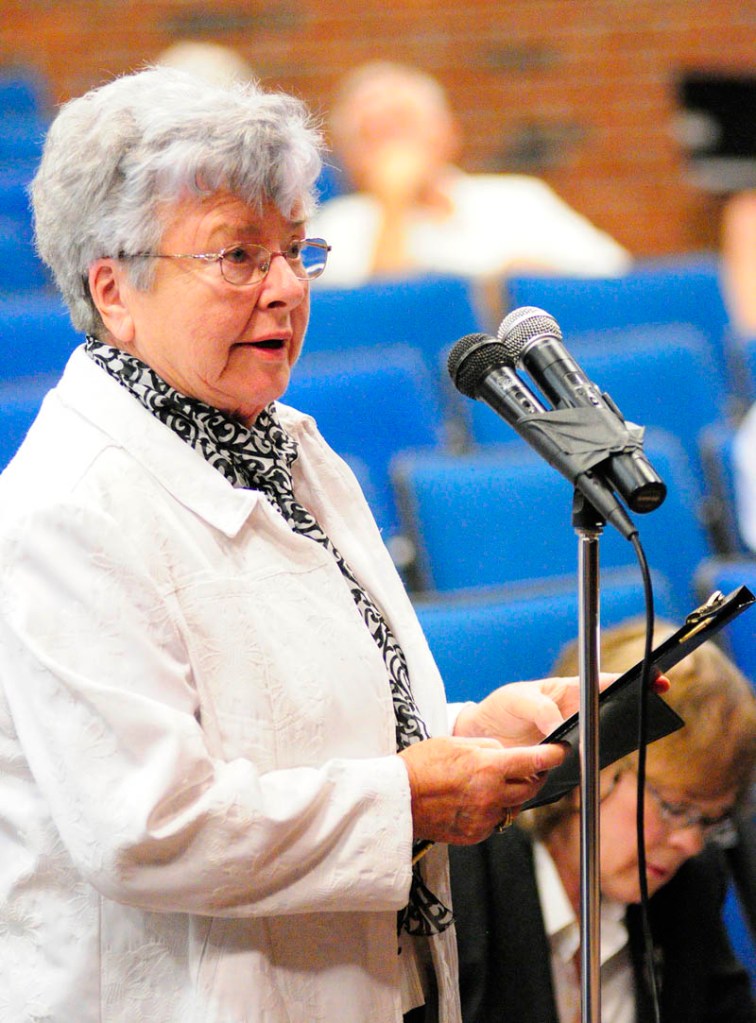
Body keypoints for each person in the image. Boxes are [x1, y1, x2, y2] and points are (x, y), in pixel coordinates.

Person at [0, 65, 598, 1023]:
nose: (283, 288)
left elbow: (328, 728)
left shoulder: (293, 450)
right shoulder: (65, 509)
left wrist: (471, 735)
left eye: (293, 248)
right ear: (114, 288)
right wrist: (409, 797)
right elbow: (149, 826)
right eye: (237, 255)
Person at [449, 617, 756, 1023]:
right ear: (588, 768)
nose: (692, 843)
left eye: (709, 820)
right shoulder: (462, 884)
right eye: (676, 808)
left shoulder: (690, 884)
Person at [310, 60, 632, 288]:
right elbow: (386, 318)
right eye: (375, 135)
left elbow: (617, 279)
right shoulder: (335, 229)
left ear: (449, 133)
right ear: (349, 157)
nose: (396, 148)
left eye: (404, 125)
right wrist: (393, 204)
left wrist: (529, 283)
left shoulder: (520, 197)